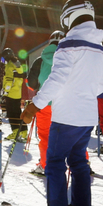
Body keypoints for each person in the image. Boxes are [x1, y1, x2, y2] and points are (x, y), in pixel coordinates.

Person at [20, 0, 103, 206]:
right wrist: (82, 88)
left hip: (66, 115)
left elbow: (56, 80)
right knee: (78, 161)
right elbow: (102, 86)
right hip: (87, 116)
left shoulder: (68, 45)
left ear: (69, 18)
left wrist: (35, 104)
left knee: (56, 160)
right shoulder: (100, 50)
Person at [27, 30, 65, 175]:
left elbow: (31, 83)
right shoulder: (70, 58)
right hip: (66, 104)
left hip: (44, 103)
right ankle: (82, 163)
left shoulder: (41, 59)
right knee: (71, 135)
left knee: (45, 136)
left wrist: (38, 87)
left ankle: (45, 165)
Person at [2, 48, 27, 141]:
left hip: (11, 93)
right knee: (17, 112)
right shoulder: (17, 64)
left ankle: (15, 131)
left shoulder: (9, 65)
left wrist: (5, 92)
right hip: (17, 92)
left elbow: (9, 80)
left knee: (11, 113)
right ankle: (23, 131)